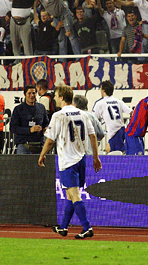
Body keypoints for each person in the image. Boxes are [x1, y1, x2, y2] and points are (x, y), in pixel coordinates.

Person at [38, 85, 101, 239]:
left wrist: (42, 154)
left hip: (68, 160)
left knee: (74, 194)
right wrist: (95, 157)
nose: (54, 98)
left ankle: (87, 227)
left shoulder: (58, 115)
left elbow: (50, 140)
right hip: (81, 159)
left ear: (61, 97)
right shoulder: (83, 114)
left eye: (56, 95)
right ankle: (63, 227)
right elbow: (93, 136)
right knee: (69, 194)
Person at [92, 80, 132, 153]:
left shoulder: (100, 103)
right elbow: (131, 112)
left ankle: (125, 163)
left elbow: (93, 118)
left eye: (100, 89)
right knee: (110, 150)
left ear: (103, 90)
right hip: (121, 129)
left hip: (114, 131)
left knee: (114, 151)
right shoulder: (118, 101)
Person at [10, 84, 50, 154]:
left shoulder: (41, 108)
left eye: (34, 93)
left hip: (39, 145)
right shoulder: (18, 109)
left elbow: (46, 123)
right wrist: (30, 130)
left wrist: (45, 128)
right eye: (29, 93)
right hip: (23, 145)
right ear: (25, 94)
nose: (32, 95)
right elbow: (13, 128)